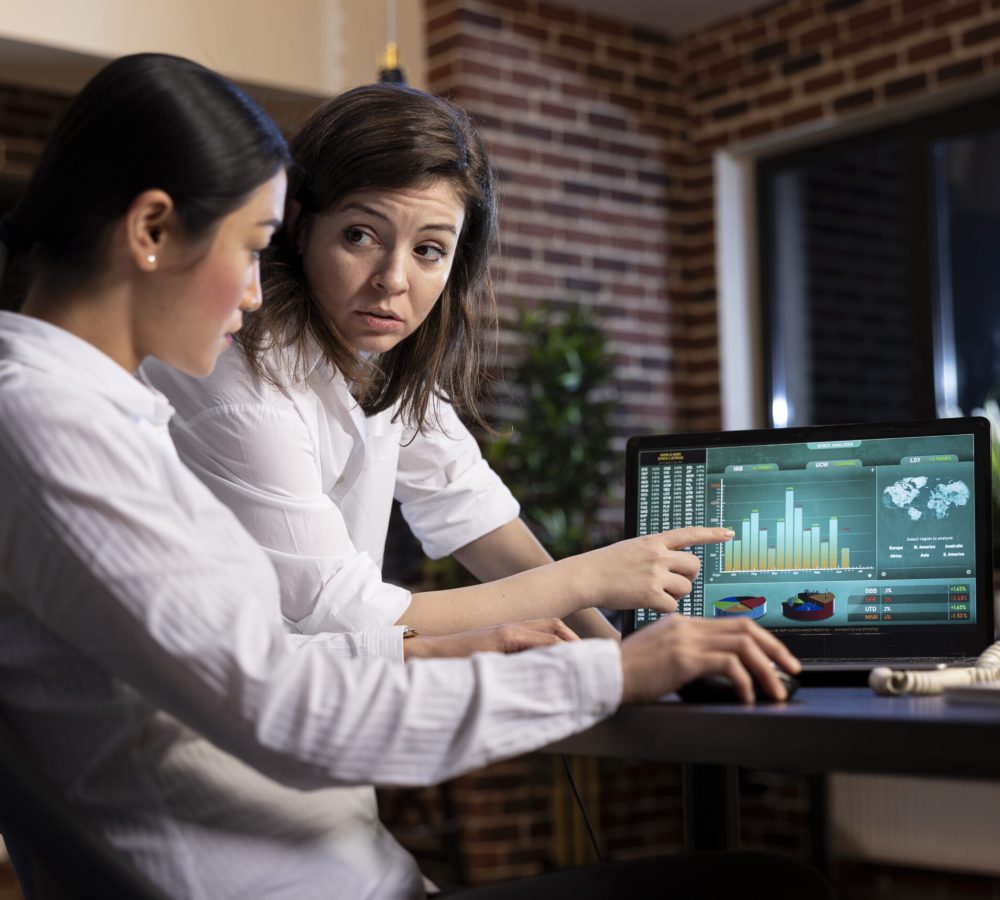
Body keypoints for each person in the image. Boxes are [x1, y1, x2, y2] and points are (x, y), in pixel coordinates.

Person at [0, 54, 822, 900]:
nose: (253, 296)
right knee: (766, 885)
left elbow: (252, 661)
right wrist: (614, 671)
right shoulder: (52, 427)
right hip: (278, 882)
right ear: (151, 232)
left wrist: (435, 648)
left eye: (430, 250)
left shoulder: (95, 416)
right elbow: (288, 710)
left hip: (337, 871)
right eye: (253, 250)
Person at [141, 82, 727, 655]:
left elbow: (471, 509)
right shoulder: (235, 372)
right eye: (360, 235)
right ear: (299, 226)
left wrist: (621, 654)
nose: (393, 280)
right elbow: (343, 613)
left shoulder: (378, 353)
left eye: (428, 250)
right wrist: (591, 577)